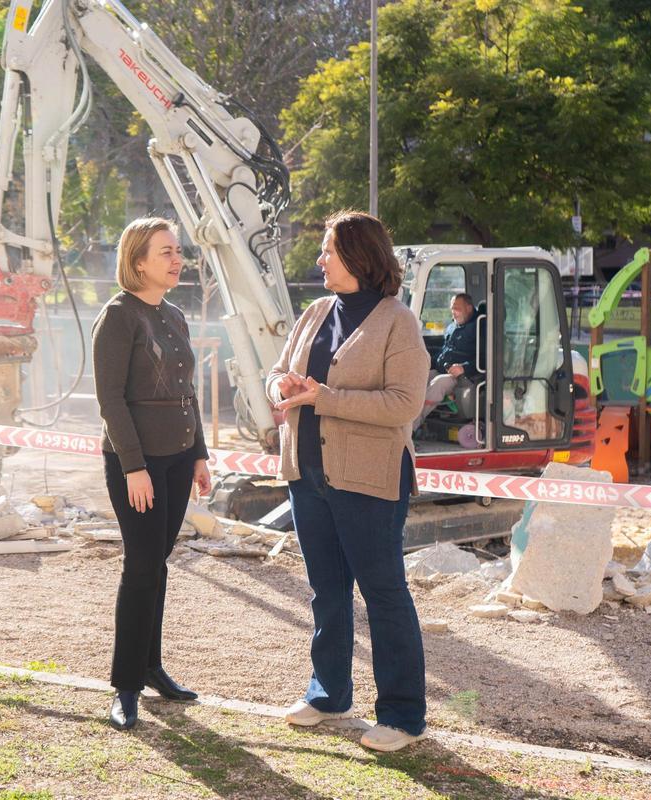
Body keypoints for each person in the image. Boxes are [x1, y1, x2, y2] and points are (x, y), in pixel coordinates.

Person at [266, 210, 430, 752]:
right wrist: (281, 387)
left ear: (358, 256)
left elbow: (405, 404)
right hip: (306, 472)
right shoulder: (314, 311)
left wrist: (323, 398)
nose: (319, 260)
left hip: (370, 479)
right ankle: (328, 694)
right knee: (326, 591)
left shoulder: (396, 321)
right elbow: (277, 373)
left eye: (328, 250)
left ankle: (402, 716)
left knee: (383, 592)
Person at [92, 217, 213, 731]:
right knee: (141, 565)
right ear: (137, 260)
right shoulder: (118, 317)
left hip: (179, 458)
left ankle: (151, 666)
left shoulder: (175, 316)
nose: (176, 259)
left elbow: (187, 391)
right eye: (165, 251)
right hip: (135, 462)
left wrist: (201, 455)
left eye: (177, 251)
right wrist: (133, 467)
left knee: (158, 563)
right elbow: (110, 400)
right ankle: (125, 685)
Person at [413, 292, 481, 431]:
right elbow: (443, 352)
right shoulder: (453, 326)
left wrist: (464, 368)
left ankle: (411, 428)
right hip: (443, 369)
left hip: (463, 376)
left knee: (438, 383)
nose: (453, 312)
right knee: (419, 377)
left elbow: (486, 359)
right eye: (452, 308)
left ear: (468, 308)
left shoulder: (479, 327)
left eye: (457, 308)